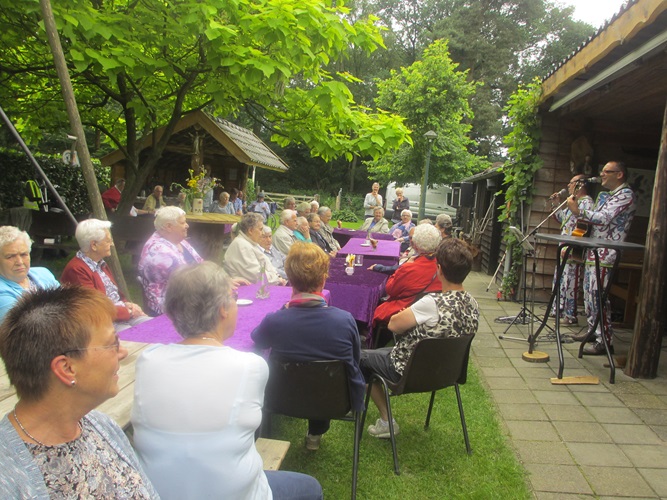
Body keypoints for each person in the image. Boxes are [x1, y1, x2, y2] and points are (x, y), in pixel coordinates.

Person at [131, 262, 322, 499]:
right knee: (310, 488)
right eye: (233, 298)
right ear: (223, 308)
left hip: (158, 492)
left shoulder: (147, 359)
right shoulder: (250, 366)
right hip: (237, 494)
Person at [0, 286, 158, 498]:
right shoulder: (8, 478)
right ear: (67, 368)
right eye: (113, 343)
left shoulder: (101, 426)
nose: (122, 352)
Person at [360, 238, 479, 438]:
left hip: (408, 371)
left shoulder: (431, 303)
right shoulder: (473, 303)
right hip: (447, 371)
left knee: (359, 357)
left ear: (439, 269)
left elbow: (393, 325)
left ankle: (386, 421)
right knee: (377, 353)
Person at [252, 243, 365, 451]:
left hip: (280, 398)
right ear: (323, 280)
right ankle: (315, 434)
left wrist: (282, 310)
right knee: (324, 377)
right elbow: (354, 362)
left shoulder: (275, 320)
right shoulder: (345, 320)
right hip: (335, 401)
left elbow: (257, 340)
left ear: (290, 280)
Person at [566, 161, 636, 355]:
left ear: (619, 174)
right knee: (589, 294)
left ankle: (604, 341)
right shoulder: (606, 195)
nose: (602, 174)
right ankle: (592, 331)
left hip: (608, 253)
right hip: (594, 250)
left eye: (606, 171)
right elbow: (595, 217)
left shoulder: (626, 195)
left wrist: (578, 211)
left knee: (598, 296)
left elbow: (603, 218)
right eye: (602, 171)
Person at [61, 219, 150, 332]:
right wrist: (129, 312)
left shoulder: (100, 263)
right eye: (108, 241)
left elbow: (114, 295)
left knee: (158, 327)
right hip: (102, 323)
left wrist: (128, 305)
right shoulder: (77, 270)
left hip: (119, 316)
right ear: (94, 245)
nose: (112, 244)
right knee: (140, 336)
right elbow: (95, 308)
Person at [372, 224, 443, 329]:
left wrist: (403, 267)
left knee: (376, 307)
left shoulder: (409, 268)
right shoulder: (443, 265)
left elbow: (390, 289)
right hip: (434, 310)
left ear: (415, 246)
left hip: (405, 310)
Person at [138, 206, 203, 316]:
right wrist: (220, 285)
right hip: (172, 310)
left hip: (189, 299)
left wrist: (225, 280)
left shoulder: (179, 241)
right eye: (183, 223)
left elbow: (201, 263)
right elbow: (189, 281)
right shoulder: (159, 251)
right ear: (169, 227)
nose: (187, 225)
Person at [549, 175, 594, 326]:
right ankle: (558, 310)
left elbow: (584, 226)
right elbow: (563, 220)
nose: (568, 185)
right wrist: (556, 204)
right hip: (564, 246)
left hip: (573, 247)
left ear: (580, 185)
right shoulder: (572, 200)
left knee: (570, 282)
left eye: (571, 182)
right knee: (560, 280)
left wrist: (572, 245)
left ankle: (570, 316)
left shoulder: (586, 202)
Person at [0, 226, 58, 321]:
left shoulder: (44, 273)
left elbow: (70, 304)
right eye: (10, 256)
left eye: (24, 254)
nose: (19, 262)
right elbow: (26, 328)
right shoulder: (2, 291)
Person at [223, 213, 286, 285]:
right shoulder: (242, 246)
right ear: (250, 230)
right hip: (246, 291)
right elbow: (257, 276)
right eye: (260, 229)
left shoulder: (250, 242)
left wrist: (277, 276)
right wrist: (277, 279)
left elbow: (267, 266)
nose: (262, 233)